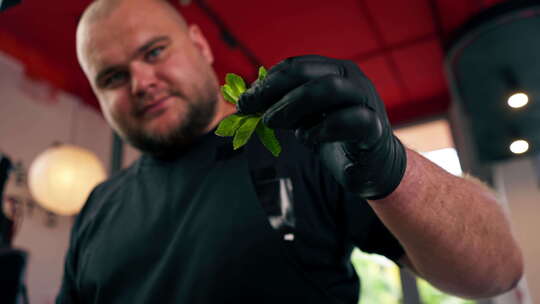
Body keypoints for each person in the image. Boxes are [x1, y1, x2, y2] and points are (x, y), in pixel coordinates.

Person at [57, 0, 523, 303]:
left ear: (199, 44)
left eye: (154, 52)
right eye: (113, 77)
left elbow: (497, 271)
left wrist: (392, 169)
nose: (141, 83)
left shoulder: (303, 143)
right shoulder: (99, 207)